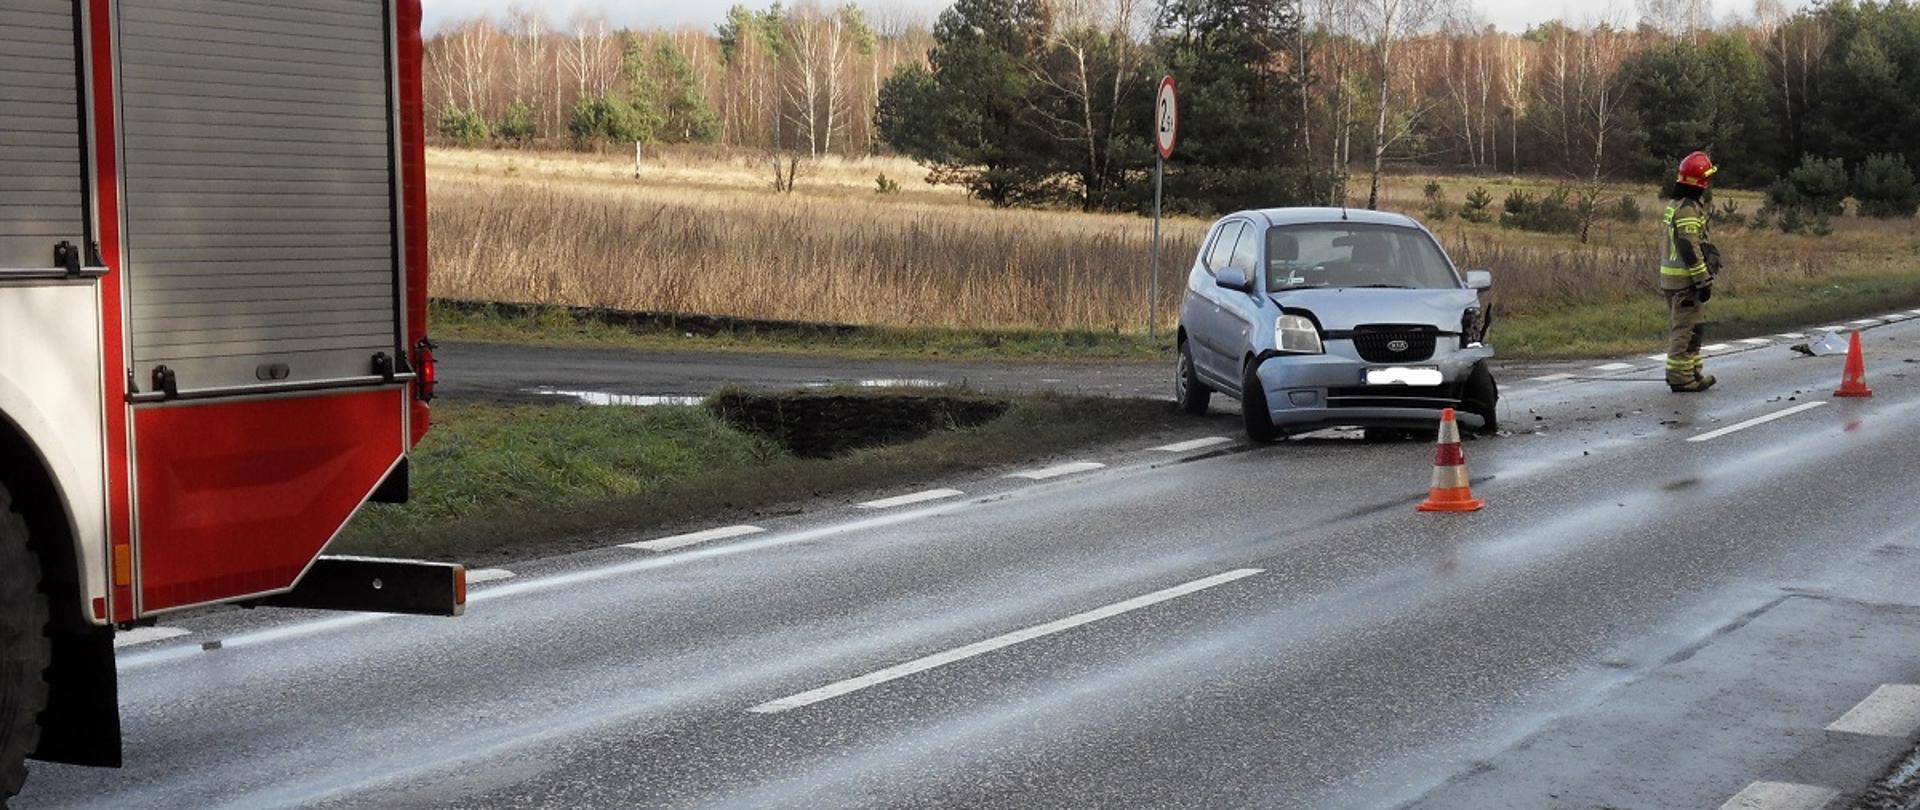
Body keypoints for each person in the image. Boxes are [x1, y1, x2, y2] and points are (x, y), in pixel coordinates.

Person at [1659, 151, 1720, 392]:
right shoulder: (1686, 209)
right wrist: (1702, 279)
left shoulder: (1679, 204)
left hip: (1676, 281)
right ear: (1699, 182)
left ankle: (1692, 373)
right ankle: (1680, 379)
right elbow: (1688, 246)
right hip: (1685, 282)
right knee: (1684, 331)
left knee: (1695, 328)